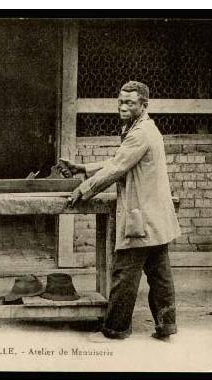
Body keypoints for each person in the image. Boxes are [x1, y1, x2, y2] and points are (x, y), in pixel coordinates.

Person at [57, 81, 181, 342]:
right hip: (155, 216)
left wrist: (83, 189)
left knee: (124, 273)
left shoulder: (140, 133)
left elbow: (116, 168)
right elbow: (119, 160)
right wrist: (83, 168)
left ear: (144, 105)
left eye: (130, 103)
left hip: (142, 217)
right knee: (159, 273)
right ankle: (166, 326)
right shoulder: (141, 128)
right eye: (121, 102)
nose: (123, 107)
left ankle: (115, 330)